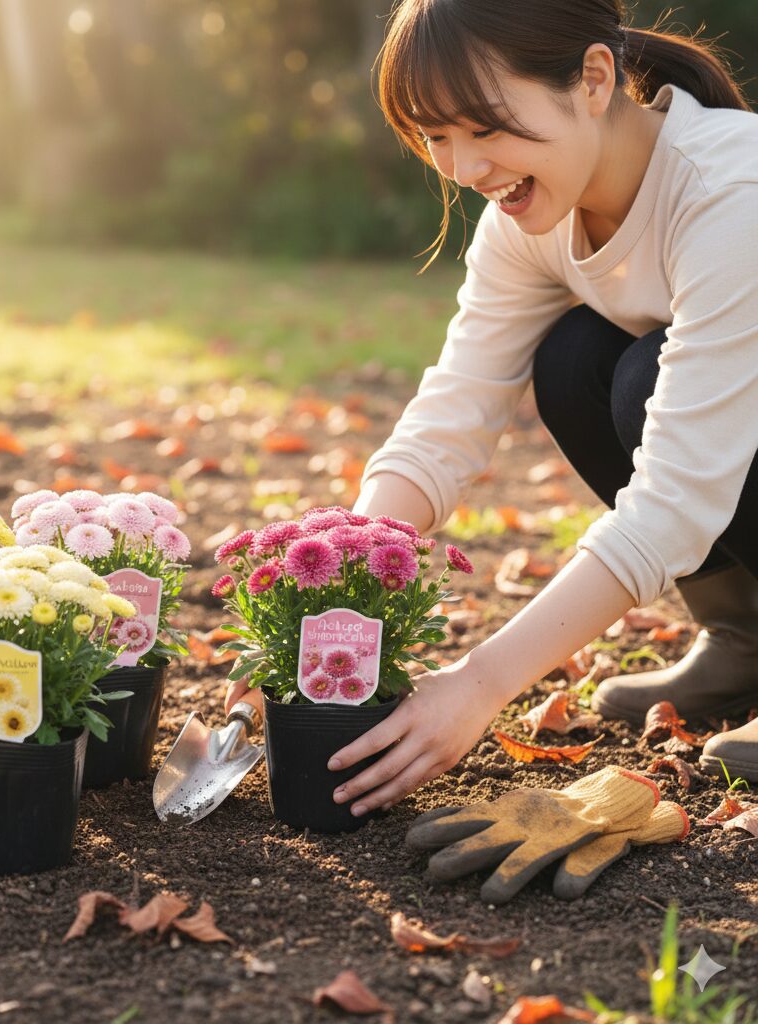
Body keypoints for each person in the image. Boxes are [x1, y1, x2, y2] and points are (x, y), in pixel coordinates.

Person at [226, 0, 758, 813]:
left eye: (484, 127)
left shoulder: (730, 192)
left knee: (649, 379)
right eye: (435, 136)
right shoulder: (529, 220)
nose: (464, 168)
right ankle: (746, 639)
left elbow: (676, 500)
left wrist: (480, 685)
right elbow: (452, 411)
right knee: (578, 360)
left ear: (592, 79)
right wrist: (338, 587)